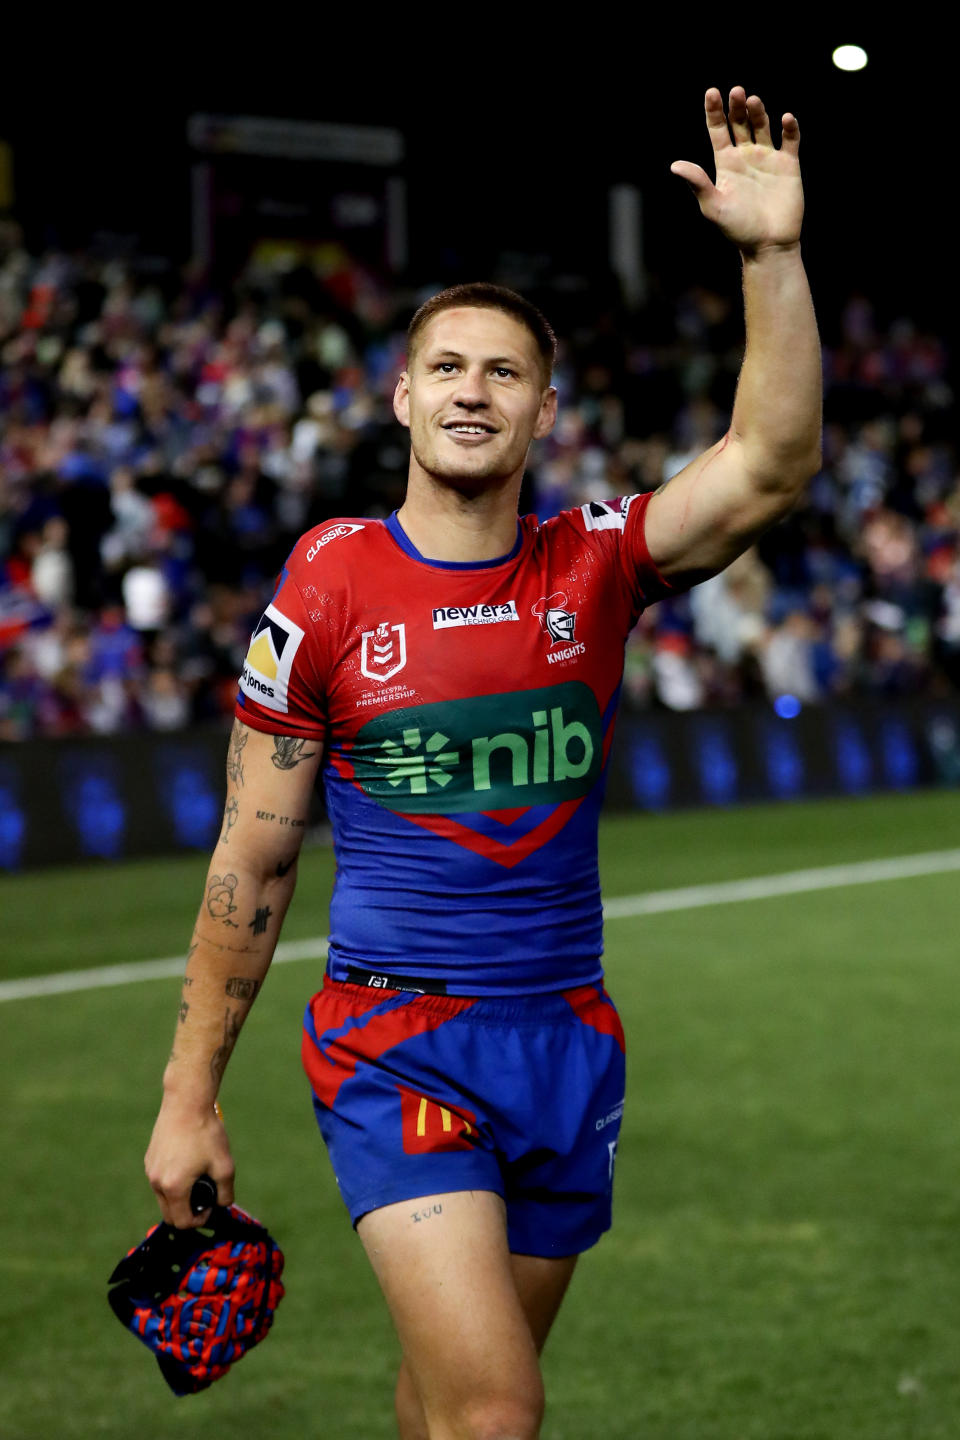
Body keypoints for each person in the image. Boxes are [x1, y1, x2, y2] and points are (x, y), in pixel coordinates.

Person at [145, 87, 821, 1440]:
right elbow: (256, 855)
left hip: (567, 1040)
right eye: (448, 367)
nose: (473, 390)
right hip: (397, 1040)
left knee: (446, 1396)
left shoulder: (597, 560)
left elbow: (769, 463)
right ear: (403, 396)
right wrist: (188, 1099)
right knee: (499, 1412)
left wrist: (770, 255)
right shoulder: (328, 583)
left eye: (504, 372)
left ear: (542, 410)